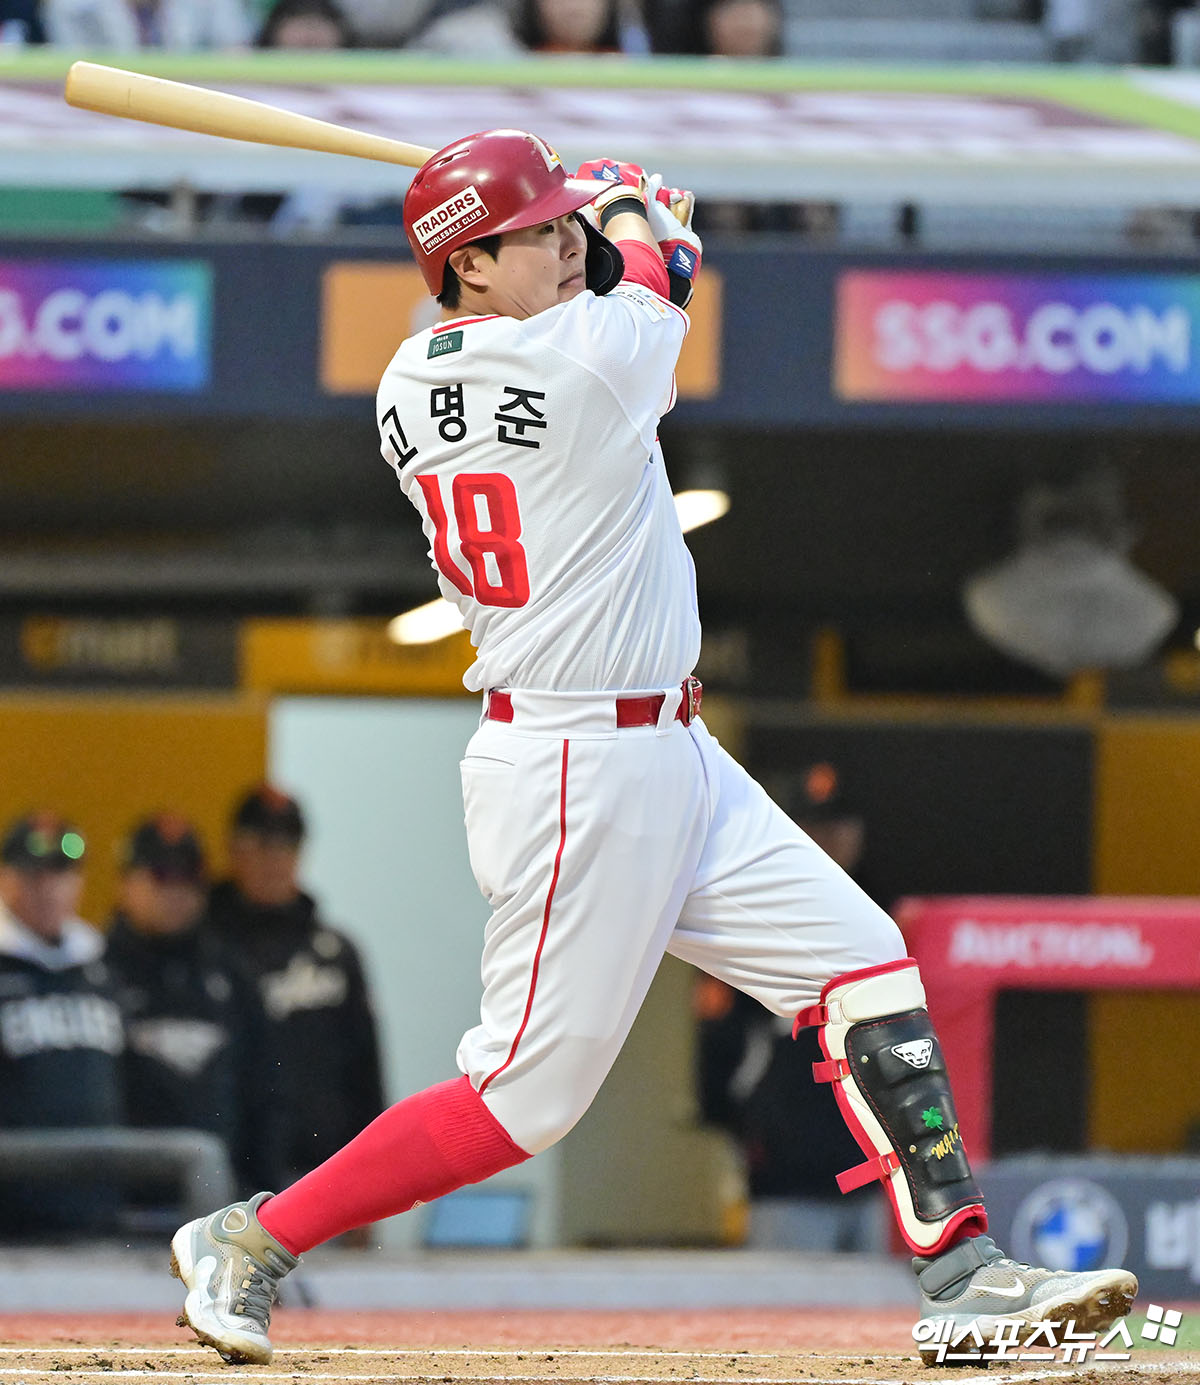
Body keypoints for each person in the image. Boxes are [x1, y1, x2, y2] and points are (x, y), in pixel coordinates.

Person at [167, 133, 1136, 1366]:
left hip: (668, 745)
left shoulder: (414, 373)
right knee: (524, 1100)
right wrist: (634, 202)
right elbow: (659, 271)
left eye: (564, 223)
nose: (564, 242)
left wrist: (604, 210)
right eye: (536, 231)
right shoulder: (583, 358)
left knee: (863, 961)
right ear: (468, 265)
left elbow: (638, 275)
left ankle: (964, 1271)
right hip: (575, 763)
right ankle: (252, 1238)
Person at [694, 764, 884, 1251]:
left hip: (882, 1184)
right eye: (813, 827)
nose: (829, 839)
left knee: (889, 1300)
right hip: (788, 1183)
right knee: (785, 1299)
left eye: (839, 826)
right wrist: (753, 1137)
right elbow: (719, 1050)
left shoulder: (886, 920)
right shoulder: (749, 916)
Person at [206, 786, 385, 1186]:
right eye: (262, 844)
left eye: (287, 845)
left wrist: (374, 1177)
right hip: (231, 1176)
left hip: (325, 1175)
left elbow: (365, 1076)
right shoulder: (203, 951)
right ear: (235, 848)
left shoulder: (335, 955)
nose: (275, 859)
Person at [104, 815, 284, 1211]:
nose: (175, 892)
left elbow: (263, 1094)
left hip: (223, 1205)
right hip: (125, 1207)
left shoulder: (232, 975)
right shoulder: (95, 973)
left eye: (189, 879)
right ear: (126, 882)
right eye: (161, 876)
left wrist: (268, 1200)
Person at [0, 813, 123, 1236]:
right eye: (34, 876)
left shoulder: (101, 966)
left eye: (63, 874)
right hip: (12, 1220)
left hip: (98, 1209)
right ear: (6, 878)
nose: (50, 889)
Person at [42, 0, 252, 48]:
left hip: (192, 118)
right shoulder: (72, 8)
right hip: (102, 122)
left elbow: (236, 54)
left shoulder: (213, 4)